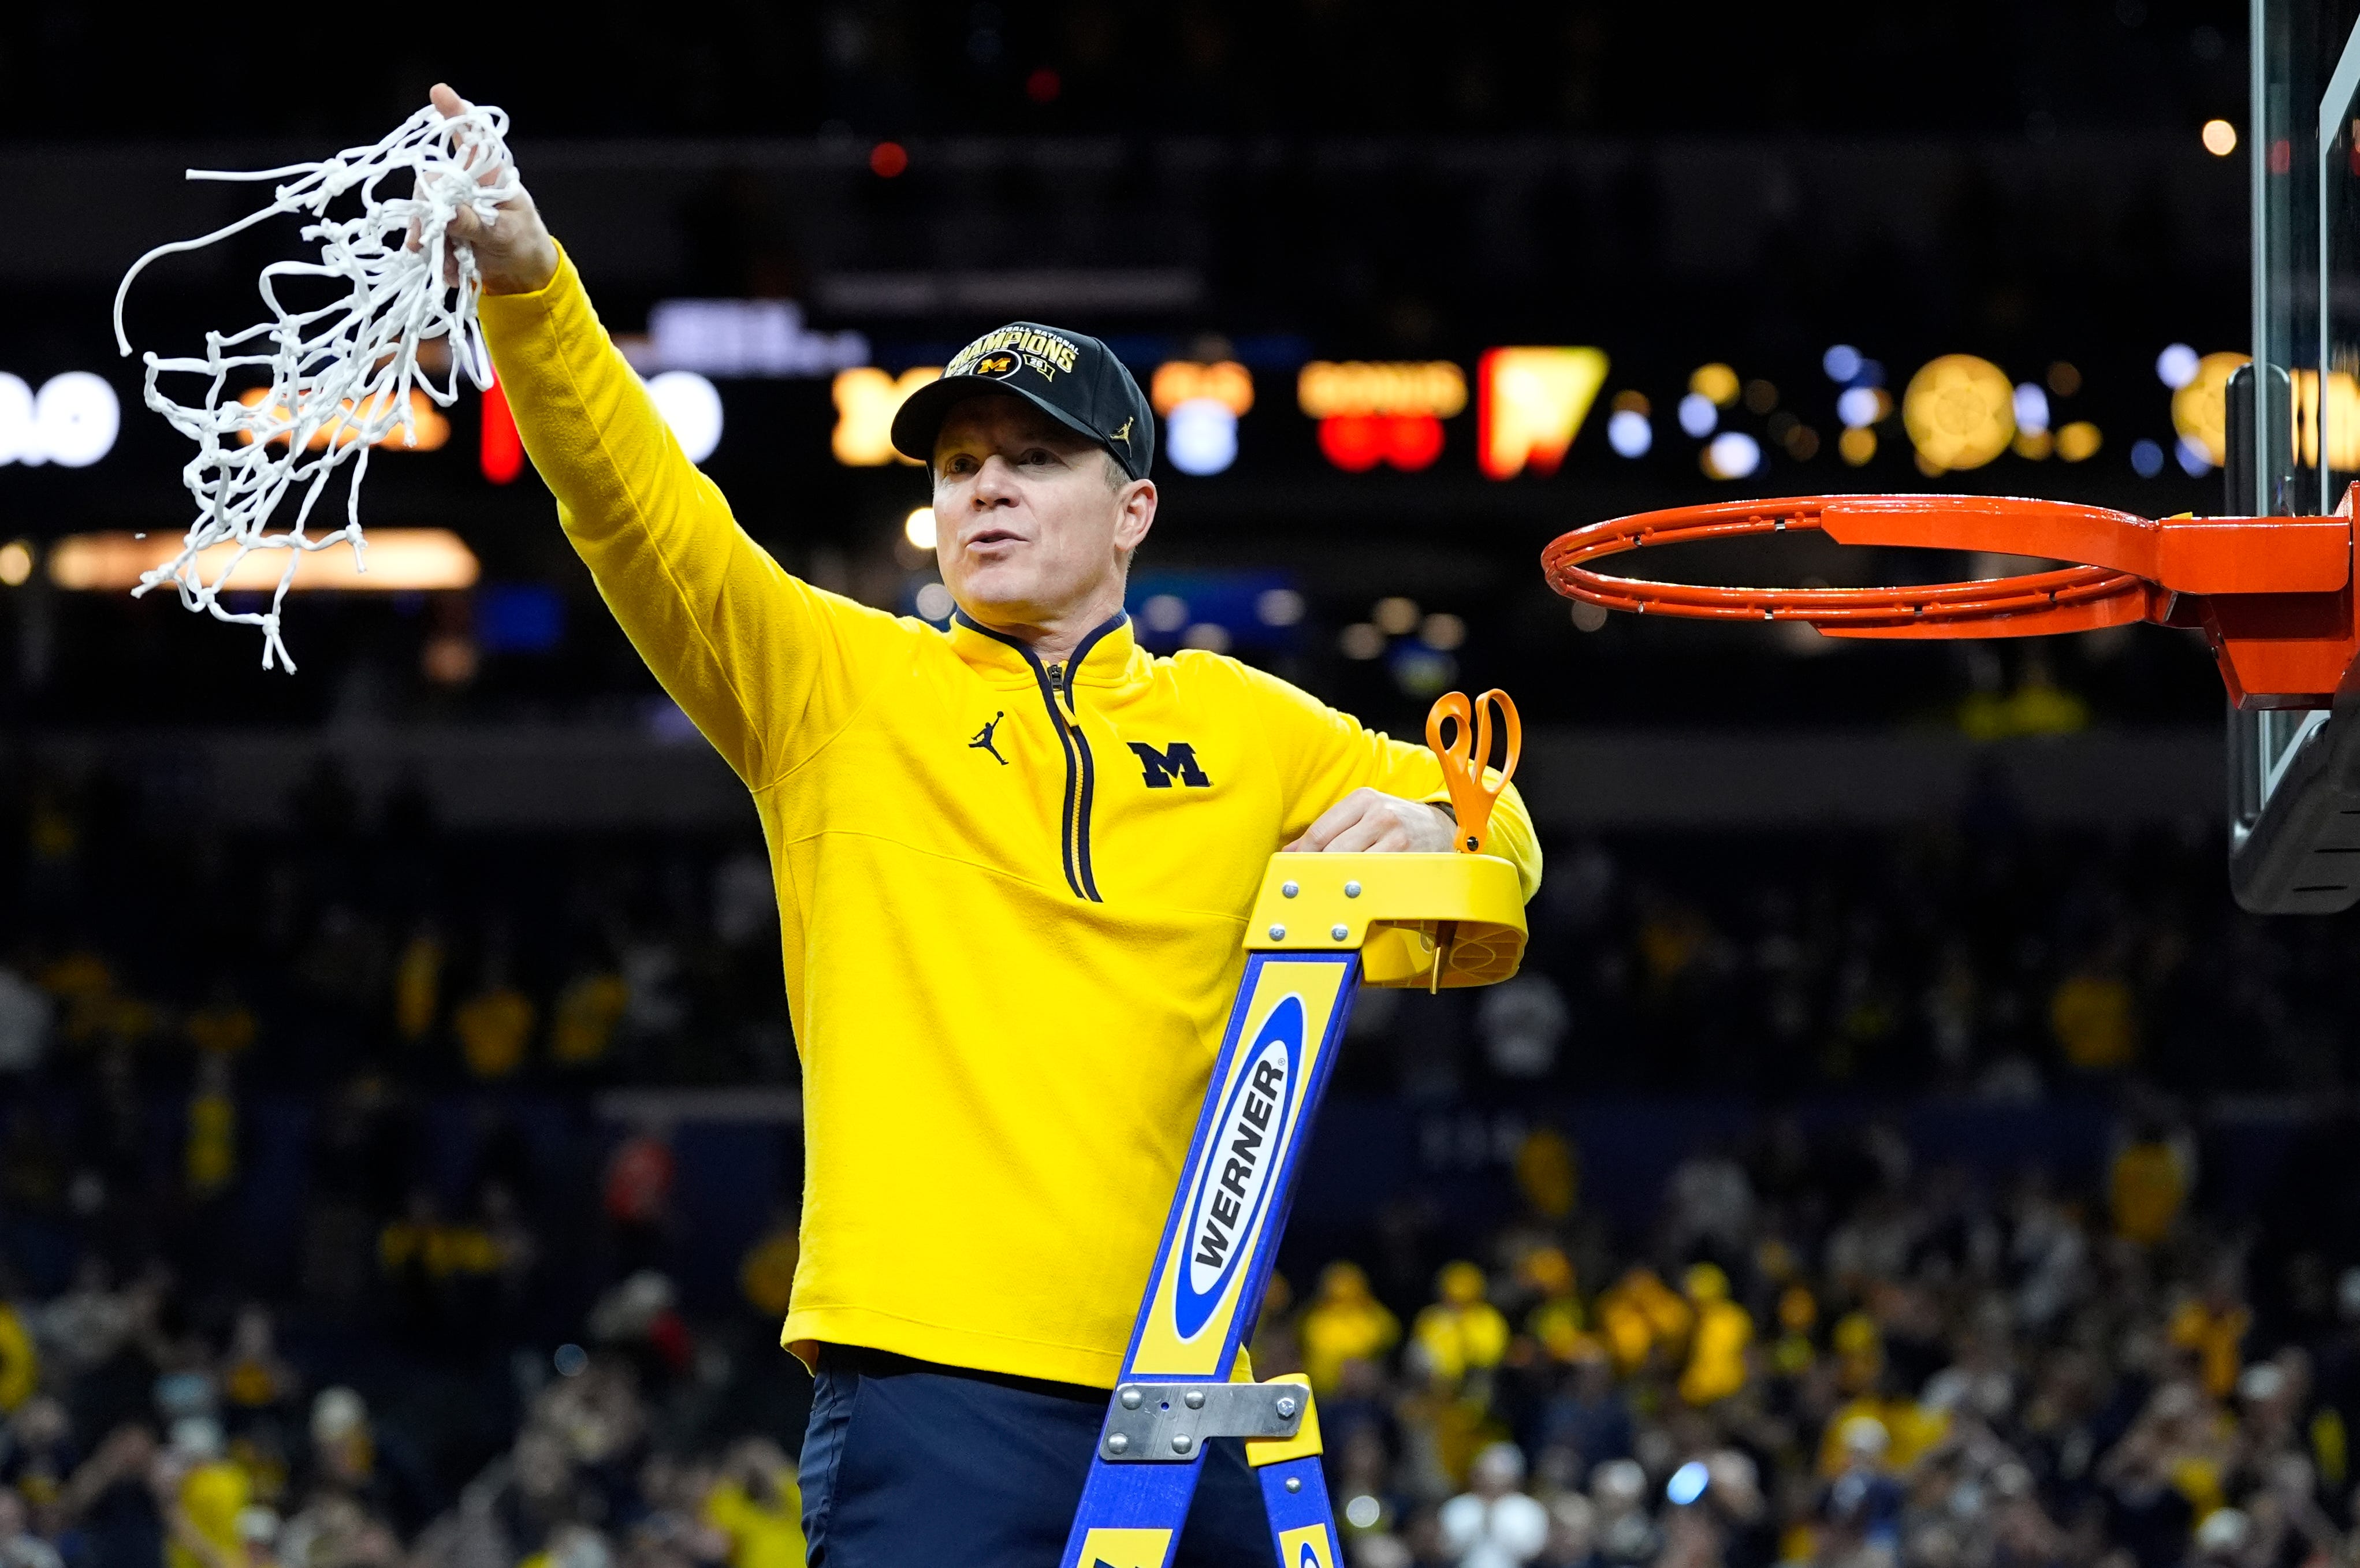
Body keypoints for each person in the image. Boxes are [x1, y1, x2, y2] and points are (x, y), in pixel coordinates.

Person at [425, 80, 1540, 1567]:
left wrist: (1446, 841)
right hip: (925, 1385)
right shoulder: (834, 687)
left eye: (1034, 458)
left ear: (1133, 506)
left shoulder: (1251, 722)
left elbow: (1493, 840)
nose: (986, 490)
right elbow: (638, 512)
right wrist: (531, 284)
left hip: (1184, 1384)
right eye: (958, 467)